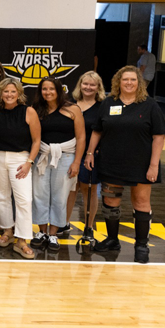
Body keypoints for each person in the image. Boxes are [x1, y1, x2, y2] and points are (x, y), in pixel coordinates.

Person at [85, 66, 165, 264]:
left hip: (140, 163)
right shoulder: (108, 103)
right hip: (111, 161)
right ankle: (112, 240)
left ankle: (141, 245)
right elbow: (97, 130)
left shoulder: (150, 105)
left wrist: (154, 165)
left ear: (139, 83)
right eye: (125, 79)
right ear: (118, 82)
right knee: (110, 200)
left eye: (133, 79)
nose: (129, 83)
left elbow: (159, 136)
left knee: (141, 202)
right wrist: (90, 153)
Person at [0, 78, 40, 259]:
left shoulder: (28, 111)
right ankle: (8, 231)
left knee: (24, 199)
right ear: (1, 93)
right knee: (1, 197)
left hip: (20, 158)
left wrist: (29, 162)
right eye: (6, 91)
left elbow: (36, 141)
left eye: (13, 91)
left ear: (19, 93)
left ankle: (22, 240)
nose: (9, 95)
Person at [31, 77, 85, 251]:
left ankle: (53, 234)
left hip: (66, 156)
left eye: (51, 89)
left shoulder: (73, 109)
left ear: (59, 90)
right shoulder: (36, 110)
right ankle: (41, 232)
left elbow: (81, 137)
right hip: (42, 156)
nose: (48, 92)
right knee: (39, 194)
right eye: (44, 89)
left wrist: (77, 162)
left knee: (60, 196)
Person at [70, 71, 106, 235]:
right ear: (80, 85)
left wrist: (94, 151)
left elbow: (104, 130)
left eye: (92, 85)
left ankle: (89, 227)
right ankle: (63, 223)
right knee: (70, 189)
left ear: (98, 87)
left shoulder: (102, 107)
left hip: (90, 154)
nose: (88, 87)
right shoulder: (70, 104)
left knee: (88, 190)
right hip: (69, 153)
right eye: (85, 84)